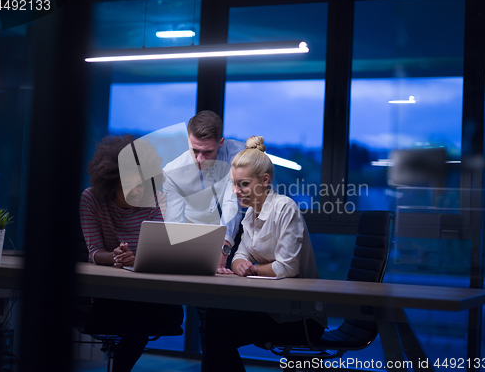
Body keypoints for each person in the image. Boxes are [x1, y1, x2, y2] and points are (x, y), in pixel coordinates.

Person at [202, 136, 326, 372]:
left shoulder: (285, 208)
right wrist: (239, 264)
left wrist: (252, 269)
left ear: (265, 180)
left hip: (300, 317)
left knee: (217, 327)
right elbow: (240, 255)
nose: (237, 191)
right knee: (215, 320)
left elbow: (287, 268)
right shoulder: (250, 215)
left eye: (243, 184)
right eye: (234, 184)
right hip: (272, 307)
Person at [79, 135, 184, 372]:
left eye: (142, 184)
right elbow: (94, 252)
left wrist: (137, 259)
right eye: (128, 184)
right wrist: (115, 258)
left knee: (167, 317)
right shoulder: (91, 200)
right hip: (112, 294)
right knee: (138, 328)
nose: (137, 191)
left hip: (147, 292)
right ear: (110, 180)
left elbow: (158, 250)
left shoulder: (153, 201)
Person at [162, 110, 244, 273]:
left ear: (220, 142)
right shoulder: (172, 172)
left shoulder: (238, 154)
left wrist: (224, 246)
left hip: (234, 238)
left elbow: (231, 203)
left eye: (207, 152)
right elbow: (174, 224)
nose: (200, 159)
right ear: (188, 140)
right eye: (195, 150)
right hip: (193, 238)